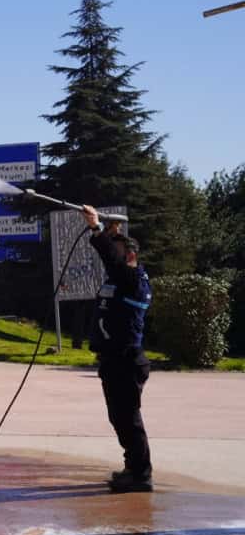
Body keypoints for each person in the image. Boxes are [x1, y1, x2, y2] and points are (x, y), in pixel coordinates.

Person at [82, 205, 153, 493]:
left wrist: (96, 229)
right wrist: (111, 233)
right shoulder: (121, 279)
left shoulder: (134, 280)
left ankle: (141, 475)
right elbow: (112, 261)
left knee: (128, 418)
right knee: (119, 417)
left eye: (121, 251)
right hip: (113, 360)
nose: (116, 256)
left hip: (126, 360)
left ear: (131, 256)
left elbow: (112, 262)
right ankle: (132, 468)